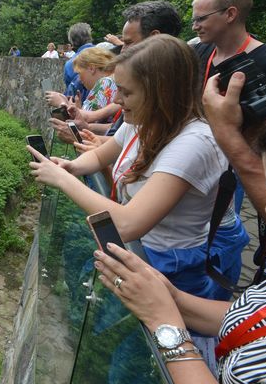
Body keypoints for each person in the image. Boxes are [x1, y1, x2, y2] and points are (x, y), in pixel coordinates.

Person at [94, 97, 266, 384]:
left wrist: (165, 324)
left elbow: (129, 223)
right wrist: (172, 297)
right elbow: (256, 316)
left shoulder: (193, 142)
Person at [29, 34, 248, 301]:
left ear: (161, 92)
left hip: (170, 265)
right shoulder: (143, 121)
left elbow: (128, 224)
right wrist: (71, 166)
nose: (117, 100)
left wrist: (63, 180)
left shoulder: (193, 144)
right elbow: (99, 156)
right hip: (141, 251)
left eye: (126, 92)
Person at [194, 0, 266, 278]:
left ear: (230, 14)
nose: (194, 26)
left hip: (243, 173)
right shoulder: (201, 53)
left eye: (201, 18)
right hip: (198, 165)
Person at [52, 1, 184, 144]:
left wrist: (79, 135)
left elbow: (127, 148)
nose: (122, 50)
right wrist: (87, 126)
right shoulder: (162, 85)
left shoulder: (156, 91)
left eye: (128, 42)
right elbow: (120, 136)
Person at [72, 45, 117, 116]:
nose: (79, 79)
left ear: (91, 68)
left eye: (79, 73)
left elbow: (87, 119)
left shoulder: (105, 82)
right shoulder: (115, 79)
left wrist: (62, 103)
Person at [63, 23, 93, 101]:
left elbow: (70, 93)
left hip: (81, 104)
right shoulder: (103, 53)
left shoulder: (70, 64)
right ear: (89, 36)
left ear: (72, 41)